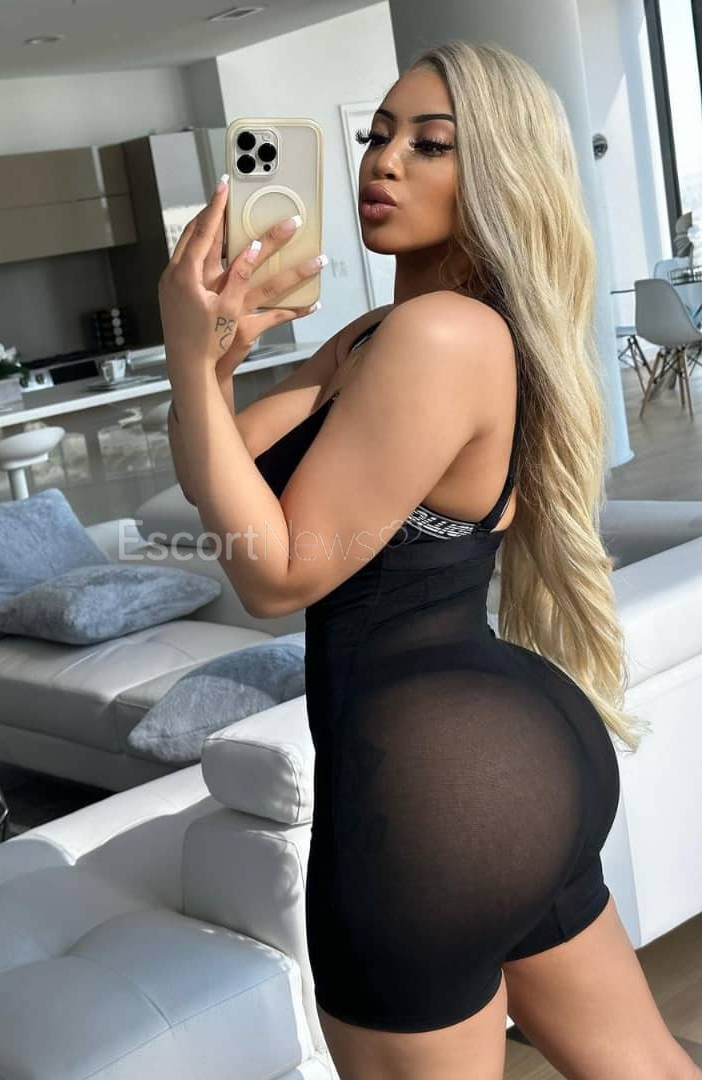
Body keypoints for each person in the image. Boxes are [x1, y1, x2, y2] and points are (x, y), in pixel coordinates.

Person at [158, 39, 700, 1080]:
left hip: (428, 788)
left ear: (494, 171)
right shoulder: (385, 332)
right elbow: (212, 473)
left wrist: (183, 352)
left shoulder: (439, 335)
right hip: (510, 758)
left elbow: (277, 573)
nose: (385, 161)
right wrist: (211, 360)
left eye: (430, 144)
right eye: (378, 136)